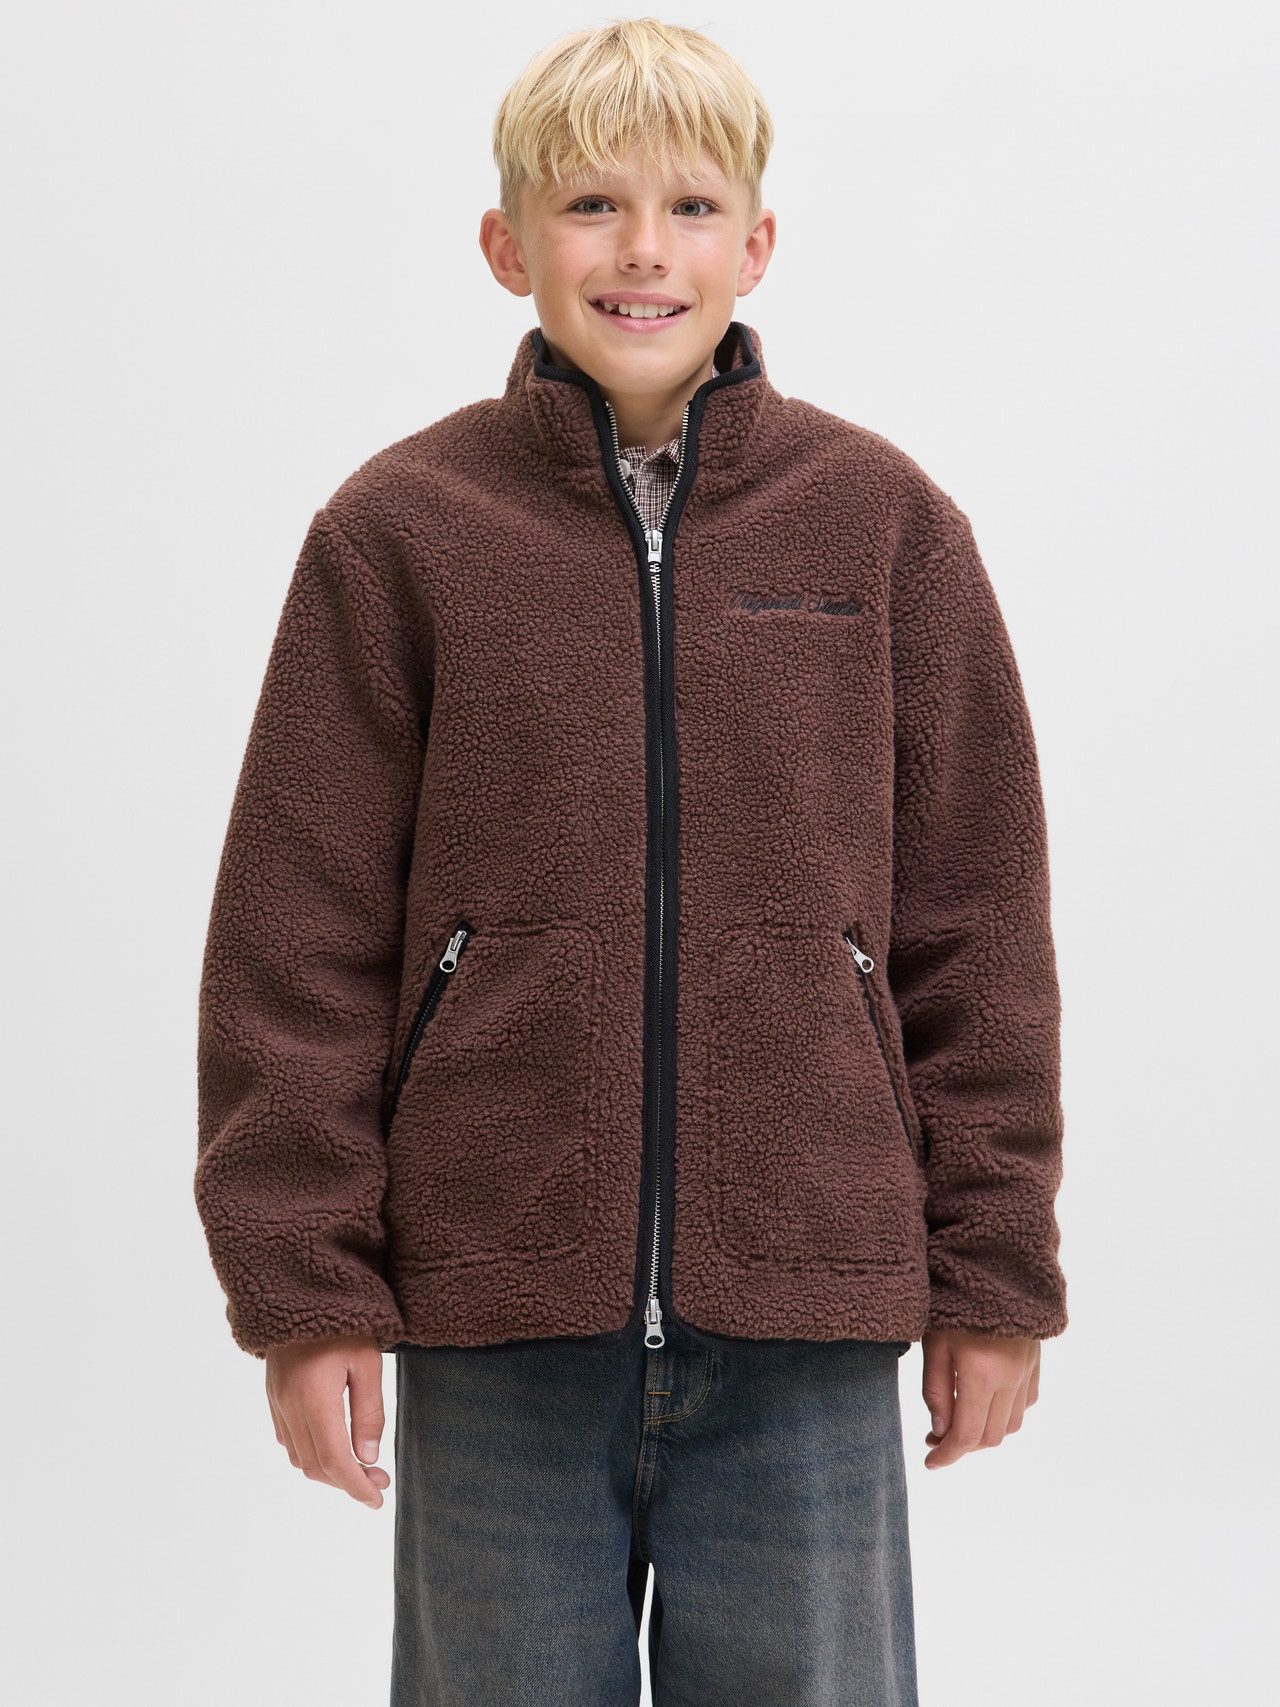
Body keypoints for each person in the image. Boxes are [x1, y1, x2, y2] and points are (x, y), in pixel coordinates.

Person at [195, 18, 1067, 1705]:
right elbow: (294, 937)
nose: (643, 250)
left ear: (758, 243)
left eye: (690, 207)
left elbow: (979, 929)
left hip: (809, 1309)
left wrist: (996, 1276)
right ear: (506, 243)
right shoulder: (399, 535)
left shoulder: (886, 528)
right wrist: (305, 1293)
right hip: (496, 1309)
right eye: (591, 204)